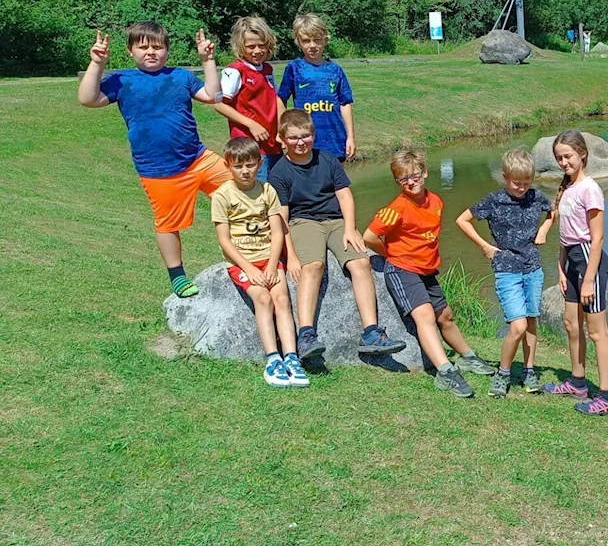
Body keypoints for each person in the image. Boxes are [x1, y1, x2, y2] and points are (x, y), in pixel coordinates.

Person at [77, 23, 230, 298]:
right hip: (159, 171)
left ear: (167, 50)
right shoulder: (121, 80)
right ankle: (178, 276)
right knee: (168, 223)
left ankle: (248, 251)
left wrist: (207, 61)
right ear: (130, 50)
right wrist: (96, 63)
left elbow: (212, 95)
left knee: (240, 192)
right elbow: (87, 99)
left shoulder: (181, 77)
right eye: (143, 47)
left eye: (157, 47)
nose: (151, 52)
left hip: (198, 159)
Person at [269, 109, 403, 359]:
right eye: (294, 137)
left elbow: (344, 195)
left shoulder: (328, 160)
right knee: (313, 267)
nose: (301, 142)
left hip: (336, 221)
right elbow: (281, 218)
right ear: (282, 139)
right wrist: (292, 256)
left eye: (306, 136)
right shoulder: (280, 172)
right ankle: (307, 335)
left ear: (314, 135)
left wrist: (351, 227)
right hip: (303, 221)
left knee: (361, 263)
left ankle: (371, 333)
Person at [363, 150, 497, 398]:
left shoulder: (436, 201)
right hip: (402, 269)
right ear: (397, 182)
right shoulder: (396, 209)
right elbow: (369, 237)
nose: (410, 182)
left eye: (414, 176)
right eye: (403, 180)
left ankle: (467, 357)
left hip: (427, 270)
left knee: (445, 316)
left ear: (424, 172)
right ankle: (446, 373)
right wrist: (390, 254)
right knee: (424, 316)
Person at [455, 149, 554, 398]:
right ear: (505, 176)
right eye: (516, 182)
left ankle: (529, 370)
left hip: (533, 268)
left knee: (531, 321)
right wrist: (485, 247)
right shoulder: (493, 201)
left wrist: (544, 230)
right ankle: (504, 373)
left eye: (526, 182)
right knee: (518, 326)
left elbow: (553, 211)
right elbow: (462, 220)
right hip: (506, 270)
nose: (522, 188)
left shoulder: (536, 197)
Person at [211, 138, 305, 388]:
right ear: (227, 166)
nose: (245, 171)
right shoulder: (222, 196)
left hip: (270, 258)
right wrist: (249, 268)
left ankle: (292, 359)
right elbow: (224, 240)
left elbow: (277, 232)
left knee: (282, 299)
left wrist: (274, 265)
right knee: (262, 298)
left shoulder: (267, 191)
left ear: (259, 164)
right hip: (242, 263)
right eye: (238, 166)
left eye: (251, 165)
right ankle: (273, 360)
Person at [543, 130, 608, 415]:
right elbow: (565, 235)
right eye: (559, 157)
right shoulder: (567, 188)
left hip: (590, 262)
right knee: (571, 324)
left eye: (568, 156)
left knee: (597, 332)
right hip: (572, 261)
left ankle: (606, 397)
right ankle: (577, 382)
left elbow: (596, 239)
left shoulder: (591, 189)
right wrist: (561, 269)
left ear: (582, 154)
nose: (563, 162)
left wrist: (588, 280)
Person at [276, 14, 356, 161]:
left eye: (317, 40)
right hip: (304, 139)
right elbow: (281, 98)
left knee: (335, 182)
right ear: (299, 42)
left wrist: (350, 137)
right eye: (306, 41)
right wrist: (281, 129)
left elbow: (345, 103)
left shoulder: (335, 70)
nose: (312, 46)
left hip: (334, 139)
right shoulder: (294, 68)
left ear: (325, 40)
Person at [212, 16, 282, 181]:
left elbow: (276, 101)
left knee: (277, 192)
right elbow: (220, 105)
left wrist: (282, 130)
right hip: (250, 148)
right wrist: (251, 124)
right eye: (251, 46)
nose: (257, 51)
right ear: (240, 46)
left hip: (273, 144)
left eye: (262, 46)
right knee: (256, 192)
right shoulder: (235, 71)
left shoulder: (268, 70)